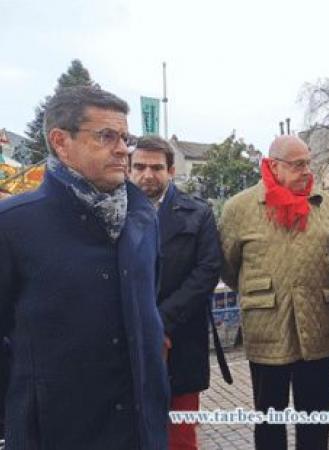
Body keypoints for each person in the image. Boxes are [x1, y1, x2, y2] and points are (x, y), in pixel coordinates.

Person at [0, 86, 169, 449]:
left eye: (125, 137)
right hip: (57, 432)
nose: (124, 148)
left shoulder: (141, 218)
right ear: (61, 142)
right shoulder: (13, 225)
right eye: (107, 136)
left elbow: (147, 305)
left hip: (141, 431)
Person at [219, 135, 329, 450]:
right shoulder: (239, 209)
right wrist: (262, 292)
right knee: (270, 417)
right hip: (268, 328)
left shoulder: (325, 204)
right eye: (298, 164)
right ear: (274, 166)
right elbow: (229, 267)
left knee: (317, 415)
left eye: (308, 163)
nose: (306, 171)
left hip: (318, 327)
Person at [129, 135, 224, 450]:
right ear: (129, 169)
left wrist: (162, 324)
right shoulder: (112, 214)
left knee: (180, 436)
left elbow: (208, 270)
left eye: (156, 167)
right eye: (139, 166)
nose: (147, 174)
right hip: (127, 341)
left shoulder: (198, 213)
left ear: (170, 170)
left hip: (180, 340)